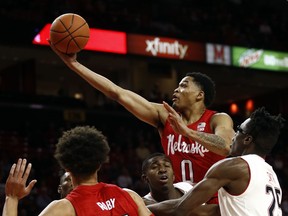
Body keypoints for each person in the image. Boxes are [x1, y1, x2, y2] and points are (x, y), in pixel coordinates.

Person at [49, 42, 235, 199]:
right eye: (177, 86)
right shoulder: (165, 116)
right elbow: (117, 93)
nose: (176, 90)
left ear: (199, 95)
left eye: (183, 86)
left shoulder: (217, 119)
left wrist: (188, 133)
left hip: (216, 202)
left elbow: (225, 146)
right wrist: (74, 64)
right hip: (180, 201)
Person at [147, 107, 285, 216]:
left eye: (238, 130)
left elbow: (179, 209)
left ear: (247, 139)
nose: (233, 135)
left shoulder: (234, 167)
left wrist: (138, 205)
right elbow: (213, 212)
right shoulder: (270, 175)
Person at [3, 126, 154, 216]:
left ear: (66, 167)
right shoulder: (130, 196)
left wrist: (12, 198)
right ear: (100, 163)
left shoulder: (62, 208)